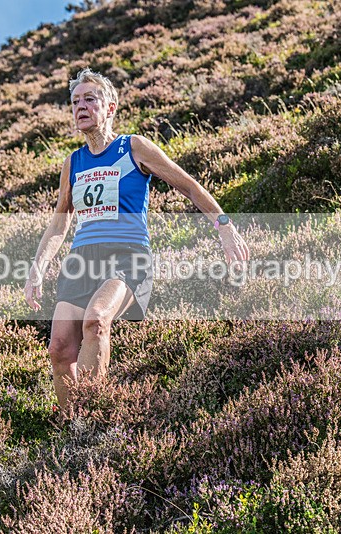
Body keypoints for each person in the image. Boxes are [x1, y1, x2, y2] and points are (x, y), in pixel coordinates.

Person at [24, 68, 249, 410]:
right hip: (81, 259)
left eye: (90, 99)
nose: (80, 107)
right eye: (74, 102)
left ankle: (91, 416)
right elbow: (59, 222)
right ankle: (71, 429)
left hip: (127, 256)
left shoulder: (133, 147)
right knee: (58, 348)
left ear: (110, 108)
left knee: (96, 320)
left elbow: (186, 184)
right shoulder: (74, 162)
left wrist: (224, 225)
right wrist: (38, 268)